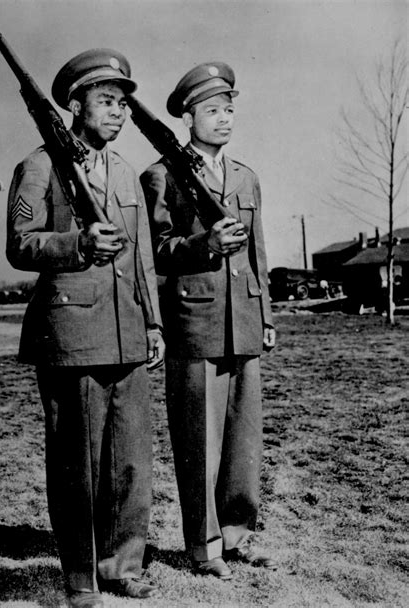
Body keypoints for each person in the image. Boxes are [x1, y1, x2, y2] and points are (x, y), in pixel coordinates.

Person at [6, 48, 165, 608]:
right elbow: (21, 245)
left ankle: (122, 563)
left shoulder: (124, 173)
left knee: (130, 458)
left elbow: (143, 256)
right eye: (105, 102)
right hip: (71, 333)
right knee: (77, 462)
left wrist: (153, 322)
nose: (118, 113)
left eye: (123, 103)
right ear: (74, 105)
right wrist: (77, 245)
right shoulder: (40, 165)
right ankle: (80, 575)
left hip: (127, 332)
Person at [140, 62, 277, 580]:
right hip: (194, 323)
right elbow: (156, 252)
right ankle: (204, 546)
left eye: (229, 110)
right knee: (201, 440)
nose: (224, 119)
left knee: (244, 438)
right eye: (212, 111)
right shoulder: (161, 175)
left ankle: (238, 535)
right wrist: (205, 244)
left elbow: (259, 251)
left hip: (243, 317)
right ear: (187, 117)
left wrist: (264, 311)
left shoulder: (246, 176)